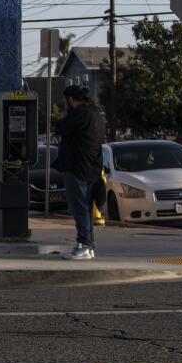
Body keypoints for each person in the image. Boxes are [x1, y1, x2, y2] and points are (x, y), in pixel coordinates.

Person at [53, 85, 106, 260]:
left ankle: (83, 245)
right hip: (92, 168)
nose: (63, 103)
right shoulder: (96, 114)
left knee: (79, 208)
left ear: (70, 99)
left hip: (77, 168)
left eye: (64, 100)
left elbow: (59, 127)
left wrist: (65, 114)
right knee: (86, 208)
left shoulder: (79, 114)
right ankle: (89, 245)